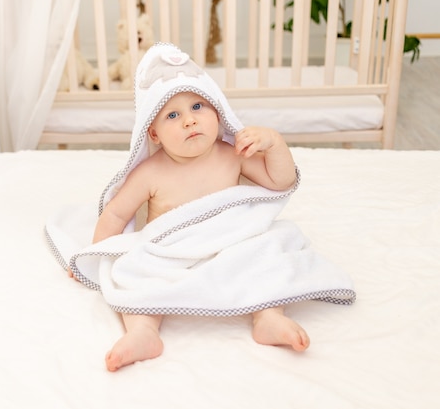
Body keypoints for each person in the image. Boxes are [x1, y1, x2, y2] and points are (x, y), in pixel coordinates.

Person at [84, 88, 306, 372]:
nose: (189, 120)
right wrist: (93, 254)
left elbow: (280, 181)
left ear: (218, 113)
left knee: (268, 251)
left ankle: (268, 317)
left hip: (228, 245)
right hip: (171, 254)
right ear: (154, 135)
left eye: (198, 106)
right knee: (134, 273)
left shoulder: (232, 155)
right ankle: (143, 332)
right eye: (173, 115)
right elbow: (116, 213)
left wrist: (275, 144)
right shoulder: (150, 172)